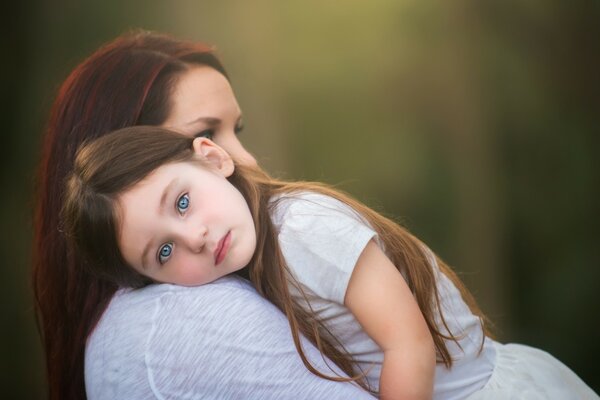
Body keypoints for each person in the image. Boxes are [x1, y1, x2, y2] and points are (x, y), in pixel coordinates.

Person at [63, 126, 599, 400]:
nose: (194, 237)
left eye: (181, 202)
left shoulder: (302, 228)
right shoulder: (248, 257)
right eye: (162, 252)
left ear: (213, 158)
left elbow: (407, 342)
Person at [32, 30, 375, 399]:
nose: (247, 161)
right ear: (127, 154)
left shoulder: (294, 235)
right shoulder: (190, 318)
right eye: (208, 130)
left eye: (235, 129)